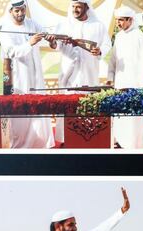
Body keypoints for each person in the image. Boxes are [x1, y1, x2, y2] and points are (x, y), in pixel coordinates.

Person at [47, 0, 111, 145]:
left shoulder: (98, 25)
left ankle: (88, 136)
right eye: (73, 6)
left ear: (86, 7)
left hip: (89, 71)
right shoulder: (63, 24)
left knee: (88, 103)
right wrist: (52, 42)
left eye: (79, 7)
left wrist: (100, 50)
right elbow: (56, 45)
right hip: (68, 73)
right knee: (68, 103)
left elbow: (107, 43)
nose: (75, 9)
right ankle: (66, 140)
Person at [0, 0, 55, 148]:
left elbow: (46, 35)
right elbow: (11, 52)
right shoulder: (6, 29)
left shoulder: (32, 23)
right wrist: (30, 43)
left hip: (35, 74)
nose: (20, 14)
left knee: (38, 105)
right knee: (22, 108)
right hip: (19, 75)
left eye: (22, 10)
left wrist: (50, 40)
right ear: (11, 12)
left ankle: (40, 143)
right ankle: (21, 145)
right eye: (16, 11)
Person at [107, 6, 143, 149]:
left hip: (136, 84)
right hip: (120, 83)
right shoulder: (119, 36)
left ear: (130, 20)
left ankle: (134, 145)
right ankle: (120, 141)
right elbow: (113, 59)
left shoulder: (140, 36)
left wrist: (142, 86)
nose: (118, 23)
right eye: (117, 20)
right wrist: (110, 77)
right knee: (120, 115)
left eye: (121, 20)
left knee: (134, 118)